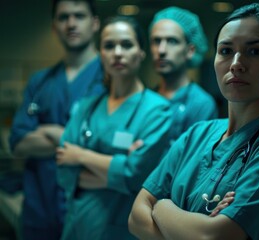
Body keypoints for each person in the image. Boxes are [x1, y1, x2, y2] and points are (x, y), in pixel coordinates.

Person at [128, 3, 259, 240]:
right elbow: (135, 218)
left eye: (254, 51)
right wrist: (193, 228)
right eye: (225, 51)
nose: (236, 64)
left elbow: (214, 236)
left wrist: (162, 207)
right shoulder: (197, 134)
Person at [56, 15, 172, 240]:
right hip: (77, 225)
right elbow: (62, 168)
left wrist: (80, 155)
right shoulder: (86, 108)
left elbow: (136, 175)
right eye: (109, 46)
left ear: (141, 52)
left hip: (120, 228)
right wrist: (118, 173)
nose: (117, 52)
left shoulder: (157, 110)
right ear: (100, 54)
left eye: (126, 45)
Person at [8, 0, 104, 239]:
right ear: (54, 27)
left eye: (79, 16)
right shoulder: (40, 82)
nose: (71, 23)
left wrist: (49, 131)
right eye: (63, 17)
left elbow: (103, 145)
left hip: (90, 211)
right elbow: (18, 143)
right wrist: (73, 138)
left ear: (94, 24)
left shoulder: (110, 79)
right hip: (39, 209)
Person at [149, 6, 218, 142]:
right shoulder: (146, 98)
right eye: (156, 41)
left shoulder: (201, 104)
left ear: (190, 50)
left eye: (172, 41)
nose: (161, 50)